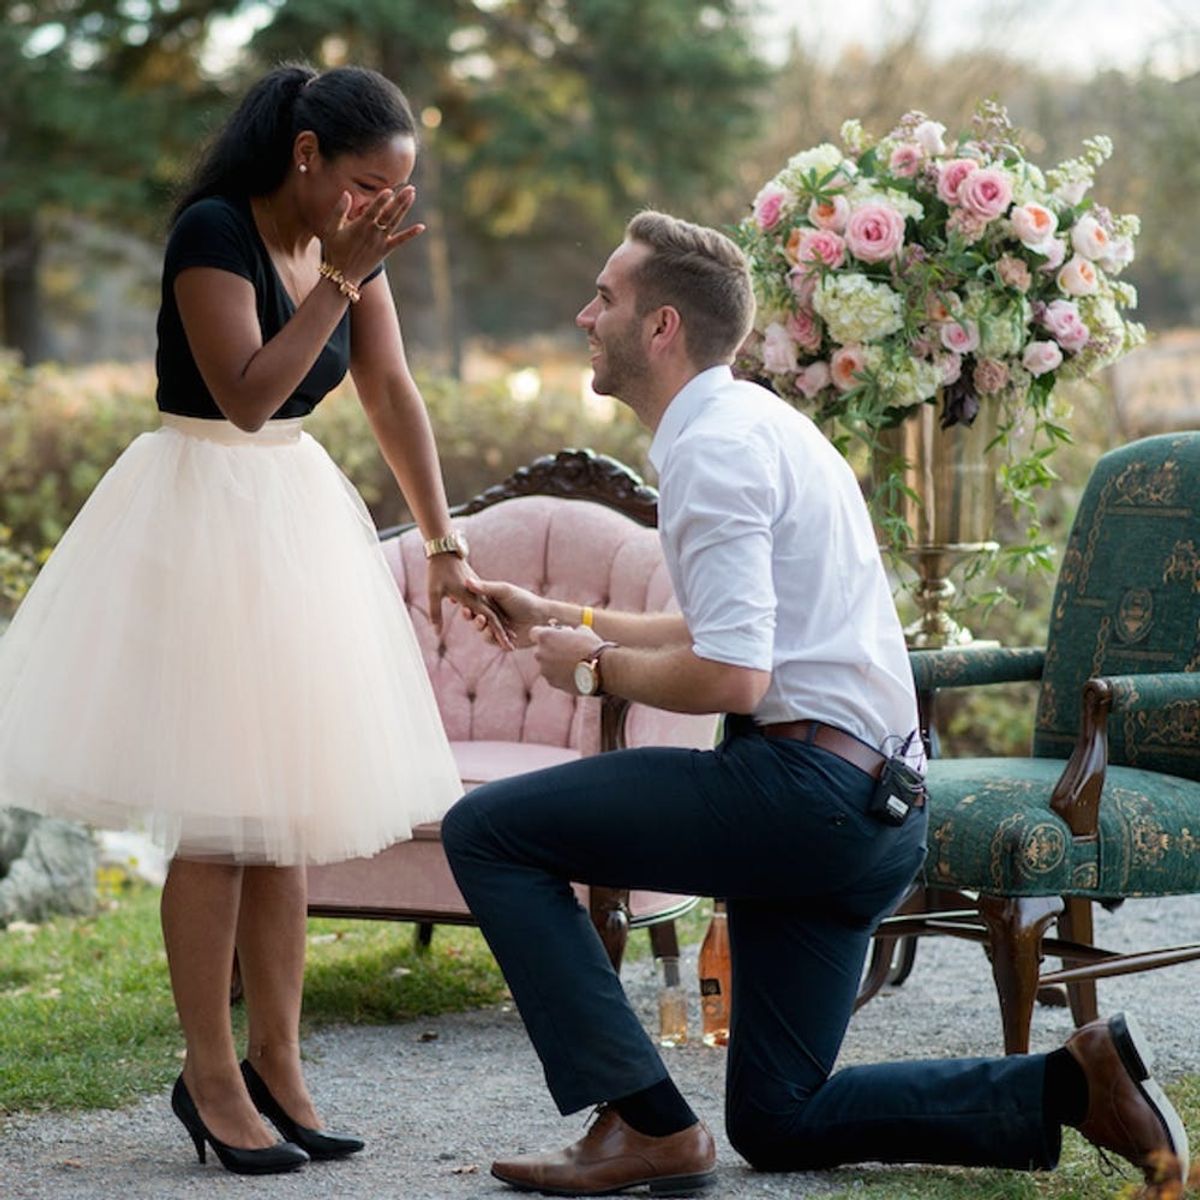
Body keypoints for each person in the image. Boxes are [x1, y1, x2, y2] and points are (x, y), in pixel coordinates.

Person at [442, 210, 1189, 1195]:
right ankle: (1068, 1085)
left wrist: (592, 669)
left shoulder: (710, 452)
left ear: (662, 327)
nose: (585, 314)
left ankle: (642, 1119)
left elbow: (733, 678)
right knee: (779, 1117)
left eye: (606, 298)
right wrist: (565, 614)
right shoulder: (756, 427)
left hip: (803, 794)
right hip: (869, 810)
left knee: (489, 832)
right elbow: (740, 634)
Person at [0, 63, 505, 1175]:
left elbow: (388, 392)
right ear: (308, 153)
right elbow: (243, 393)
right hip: (200, 517)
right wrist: (341, 279)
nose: (379, 209)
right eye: (368, 184)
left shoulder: (353, 250)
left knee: (287, 823)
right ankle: (209, 1074)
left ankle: (279, 1062)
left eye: (397, 191)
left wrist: (444, 541)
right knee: (225, 823)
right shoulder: (213, 231)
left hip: (294, 517)